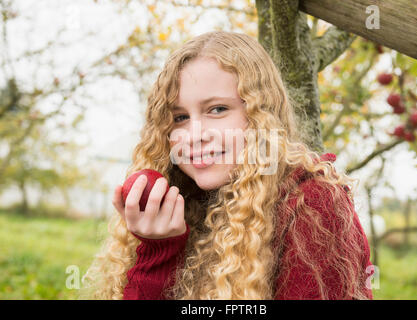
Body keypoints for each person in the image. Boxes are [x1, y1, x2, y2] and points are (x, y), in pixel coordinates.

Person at [80, 31, 374, 300]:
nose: (195, 135)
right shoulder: (185, 201)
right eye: (180, 117)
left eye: (217, 109)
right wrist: (159, 252)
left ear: (262, 116)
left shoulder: (311, 204)